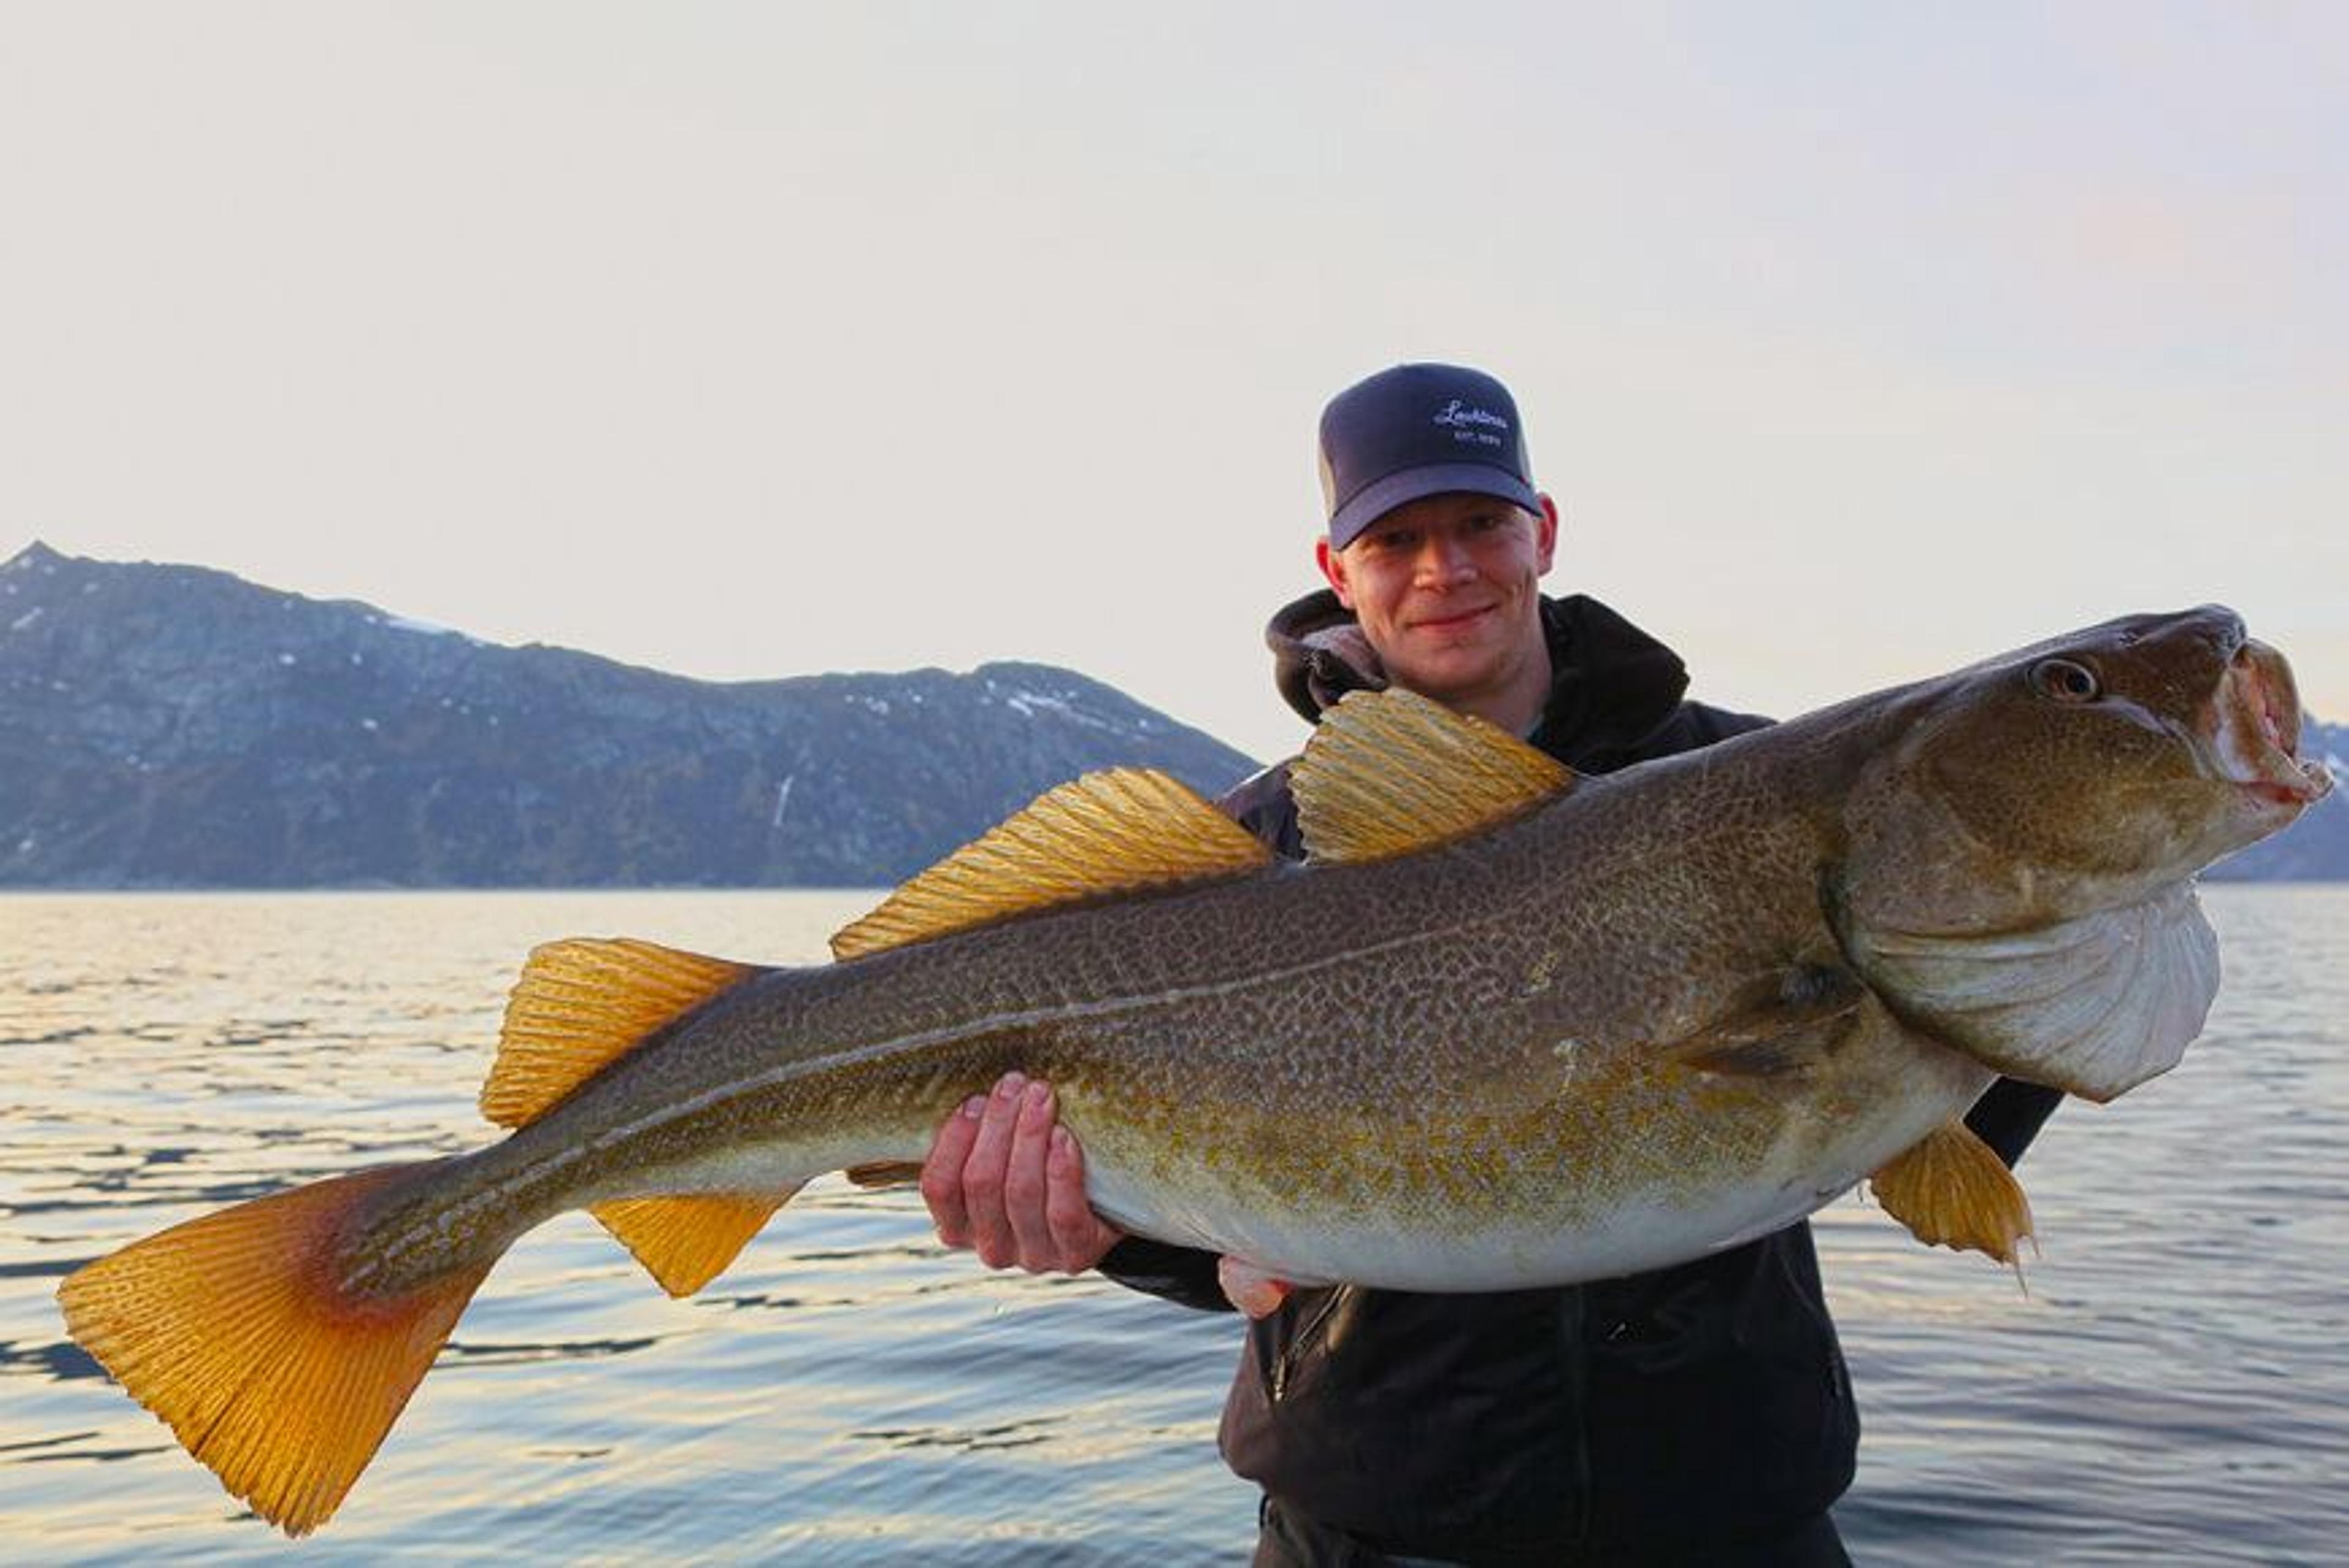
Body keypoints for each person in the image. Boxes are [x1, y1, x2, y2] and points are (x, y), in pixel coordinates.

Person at [919, 363, 2063, 1566]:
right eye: (1396, 536)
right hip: (1374, 1521)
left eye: (1479, 523)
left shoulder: (1773, 790)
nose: (1444, 568)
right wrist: (1096, 1224)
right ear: (1335, 571)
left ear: (1544, 531)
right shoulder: (1245, 860)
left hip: (1729, 1507)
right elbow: (1221, 1238)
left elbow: (1928, 1074)